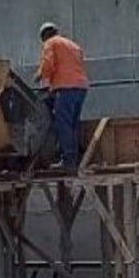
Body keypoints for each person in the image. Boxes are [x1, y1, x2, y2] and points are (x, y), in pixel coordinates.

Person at [33, 22, 89, 172]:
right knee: (72, 124)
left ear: (44, 36)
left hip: (66, 88)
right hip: (81, 88)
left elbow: (48, 64)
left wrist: (40, 77)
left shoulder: (51, 43)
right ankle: (75, 158)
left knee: (62, 124)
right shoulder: (72, 45)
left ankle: (68, 161)